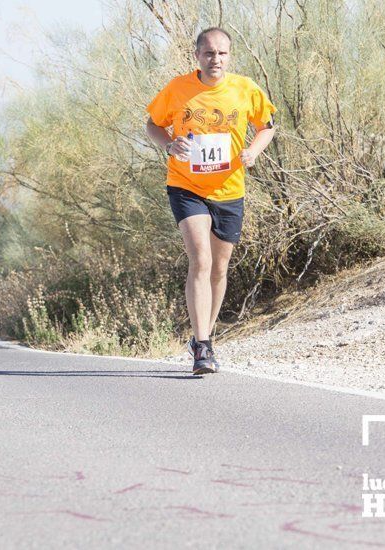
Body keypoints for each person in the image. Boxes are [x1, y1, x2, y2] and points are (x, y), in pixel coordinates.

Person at [145, 27, 276, 374]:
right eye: (208, 53)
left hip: (230, 189)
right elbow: (152, 125)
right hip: (186, 186)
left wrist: (253, 151)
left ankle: (205, 336)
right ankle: (202, 347)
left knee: (219, 268)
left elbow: (268, 125)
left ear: (229, 56)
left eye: (221, 53)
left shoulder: (245, 88)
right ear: (197, 56)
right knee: (200, 259)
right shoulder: (178, 88)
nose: (215, 59)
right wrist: (169, 145)